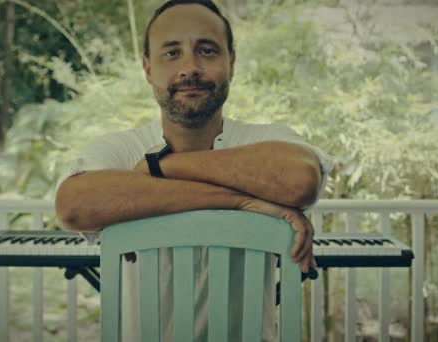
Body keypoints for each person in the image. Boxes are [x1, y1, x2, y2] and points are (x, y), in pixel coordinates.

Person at [55, 0, 333, 340]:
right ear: (147, 68)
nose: (190, 68)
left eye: (207, 51)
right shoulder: (117, 150)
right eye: (172, 53)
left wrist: (161, 166)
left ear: (231, 63)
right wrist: (241, 202)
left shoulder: (264, 139)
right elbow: (73, 205)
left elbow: (300, 179)